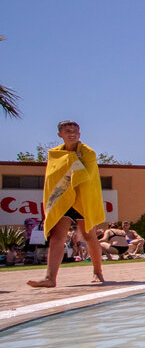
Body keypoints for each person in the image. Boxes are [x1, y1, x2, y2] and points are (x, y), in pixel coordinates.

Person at [27, 120, 107, 287]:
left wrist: (73, 161)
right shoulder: (54, 154)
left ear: (80, 134)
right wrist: (71, 160)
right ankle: (50, 278)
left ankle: (97, 271)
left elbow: (87, 177)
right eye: (67, 130)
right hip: (62, 199)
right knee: (57, 237)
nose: (71, 133)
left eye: (75, 130)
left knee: (88, 235)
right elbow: (52, 178)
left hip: (82, 198)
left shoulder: (88, 153)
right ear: (60, 134)